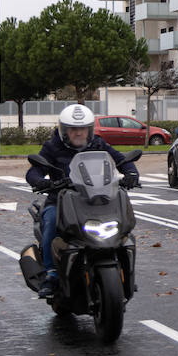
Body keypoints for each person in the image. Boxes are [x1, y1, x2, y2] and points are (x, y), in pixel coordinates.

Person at [25, 103, 139, 298]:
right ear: (64, 131)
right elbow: (34, 171)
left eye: (83, 129)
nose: (78, 133)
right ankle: (51, 274)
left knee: (123, 223)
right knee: (51, 221)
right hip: (61, 199)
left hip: (96, 197)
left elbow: (121, 160)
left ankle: (124, 270)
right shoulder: (52, 147)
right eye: (73, 129)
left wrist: (130, 174)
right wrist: (39, 181)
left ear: (89, 130)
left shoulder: (98, 143)